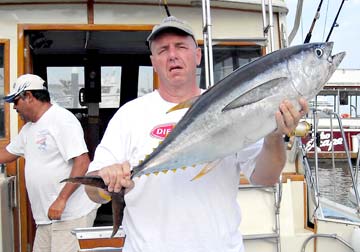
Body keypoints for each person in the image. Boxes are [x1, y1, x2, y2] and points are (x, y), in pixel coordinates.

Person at [86, 16, 309, 252]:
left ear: (198, 55)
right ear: (153, 61)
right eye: (163, 49)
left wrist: (274, 135)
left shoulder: (233, 105)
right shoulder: (129, 115)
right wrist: (106, 182)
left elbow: (265, 178)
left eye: (181, 46)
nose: (172, 55)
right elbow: (93, 192)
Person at [0, 74, 99, 252]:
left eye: (16, 101)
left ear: (29, 96)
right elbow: (5, 154)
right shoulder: (29, 129)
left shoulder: (61, 119)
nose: (14, 107)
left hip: (70, 213)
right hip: (46, 218)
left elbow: (82, 162)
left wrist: (61, 200)